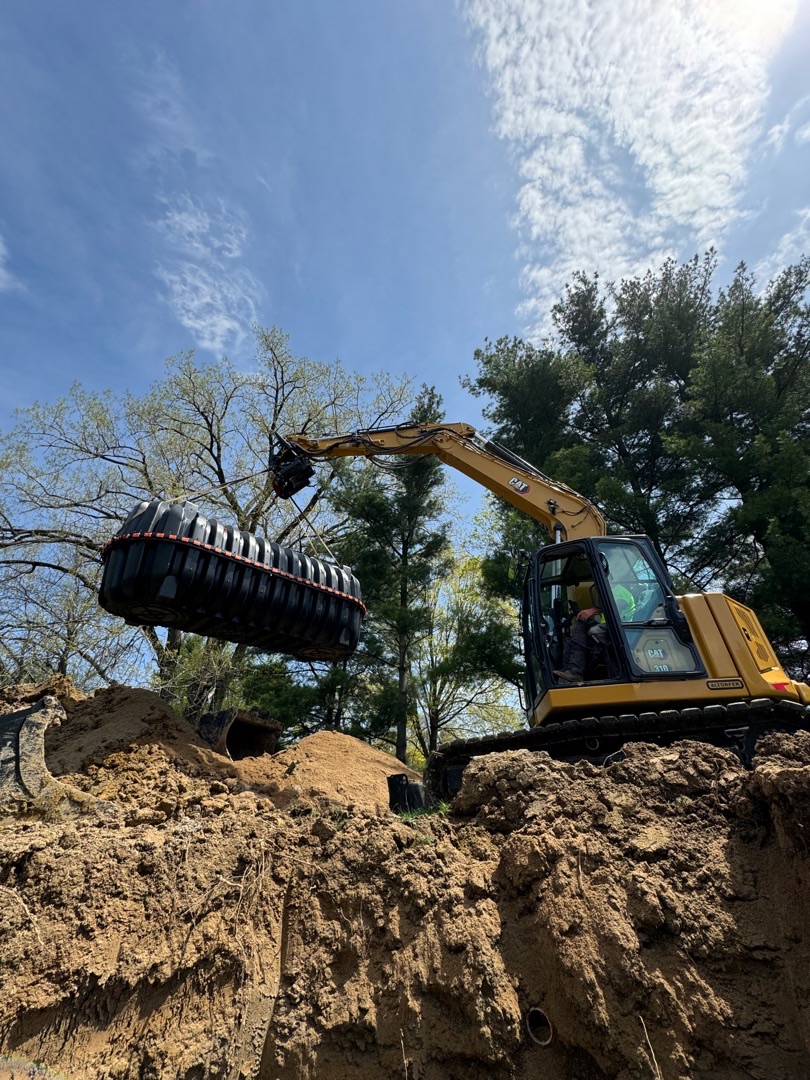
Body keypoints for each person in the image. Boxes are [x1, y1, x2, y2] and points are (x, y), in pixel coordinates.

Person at [554, 606, 609, 685]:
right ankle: (567, 672)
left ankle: (575, 672)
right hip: (607, 628)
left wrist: (593, 610)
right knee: (572, 641)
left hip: (617, 632)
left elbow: (616, 607)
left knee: (582, 624)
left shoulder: (624, 594)